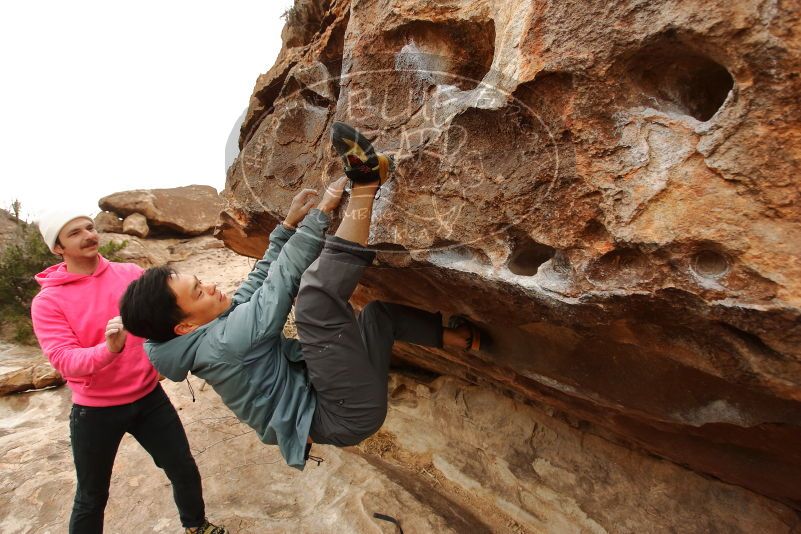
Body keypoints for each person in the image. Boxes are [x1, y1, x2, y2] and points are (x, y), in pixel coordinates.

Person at [120, 124, 482, 469]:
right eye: (199, 292)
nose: (212, 288)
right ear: (184, 325)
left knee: (376, 316)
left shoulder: (205, 330)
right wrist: (322, 212)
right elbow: (282, 280)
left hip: (330, 399)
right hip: (343, 413)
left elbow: (257, 281)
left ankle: (463, 339)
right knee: (314, 300)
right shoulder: (225, 345)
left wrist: (287, 226)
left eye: (201, 281)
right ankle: (367, 184)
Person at [30, 211, 225, 534]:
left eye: (89, 227)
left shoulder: (130, 274)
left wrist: (161, 362)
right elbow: (63, 359)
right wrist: (109, 349)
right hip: (95, 410)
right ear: (58, 248)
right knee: (92, 496)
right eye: (75, 233)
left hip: (149, 398)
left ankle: (196, 527)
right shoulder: (48, 301)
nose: (89, 235)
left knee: (182, 468)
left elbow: (168, 320)